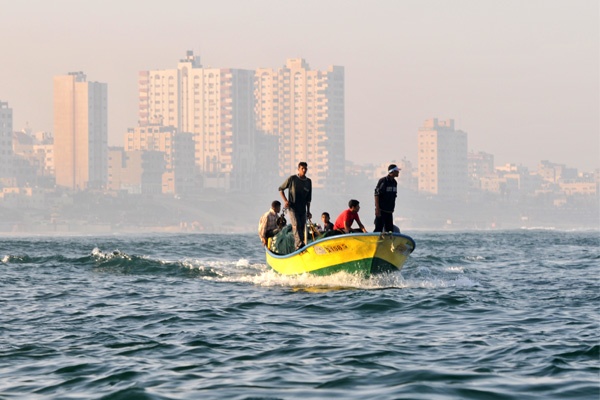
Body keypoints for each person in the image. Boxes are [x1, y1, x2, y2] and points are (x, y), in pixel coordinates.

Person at [279, 162, 312, 250]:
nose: (304, 170)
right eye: (302, 169)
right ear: (298, 169)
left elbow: (309, 198)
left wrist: (308, 211)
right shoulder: (292, 179)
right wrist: (285, 200)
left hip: (303, 209)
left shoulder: (308, 181)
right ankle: (299, 245)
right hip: (293, 208)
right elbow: (280, 189)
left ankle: (301, 244)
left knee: (302, 226)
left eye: (305, 169)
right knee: (296, 225)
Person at [374, 164, 400, 232]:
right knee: (378, 229)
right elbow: (377, 194)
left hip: (389, 211)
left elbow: (394, 196)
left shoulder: (394, 182)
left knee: (389, 230)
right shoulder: (383, 181)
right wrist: (377, 209)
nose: (398, 172)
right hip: (381, 210)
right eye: (397, 171)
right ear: (392, 171)